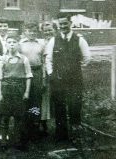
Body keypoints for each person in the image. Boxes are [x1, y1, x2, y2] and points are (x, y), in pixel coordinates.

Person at [45, 13, 90, 142]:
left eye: (65, 23)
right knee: (59, 107)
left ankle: (75, 134)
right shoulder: (54, 40)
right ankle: (61, 135)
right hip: (58, 80)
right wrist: (50, 73)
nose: (63, 26)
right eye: (61, 24)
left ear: (71, 23)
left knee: (75, 105)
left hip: (75, 79)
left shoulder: (79, 39)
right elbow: (49, 59)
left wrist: (76, 68)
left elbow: (87, 58)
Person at [0, 32, 32, 151]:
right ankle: (3, 142)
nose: (12, 45)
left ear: (18, 44)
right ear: (6, 44)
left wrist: (26, 92)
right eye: (9, 42)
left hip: (19, 90)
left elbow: (28, 76)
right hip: (6, 90)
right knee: (5, 117)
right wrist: (0, 94)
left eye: (14, 42)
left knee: (18, 117)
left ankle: (18, 141)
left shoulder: (24, 59)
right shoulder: (3, 60)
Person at [20, 23, 45, 141]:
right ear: (25, 32)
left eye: (34, 31)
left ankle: (35, 128)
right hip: (24, 73)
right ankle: (25, 129)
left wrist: (43, 78)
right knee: (25, 99)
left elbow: (44, 62)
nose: (32, 33)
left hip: (37, 73)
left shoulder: (41, 44)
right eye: (29, 31)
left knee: (36, 100)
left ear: (37, 32)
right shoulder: (20, 44)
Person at [40, 21, 54, 136]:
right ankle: (43, 124)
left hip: (57, 74)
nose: (48, 32)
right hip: (45, 74)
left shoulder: (58, 41)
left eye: (50, 30)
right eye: (45, 31)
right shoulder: (41, 44)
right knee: (44, 100)